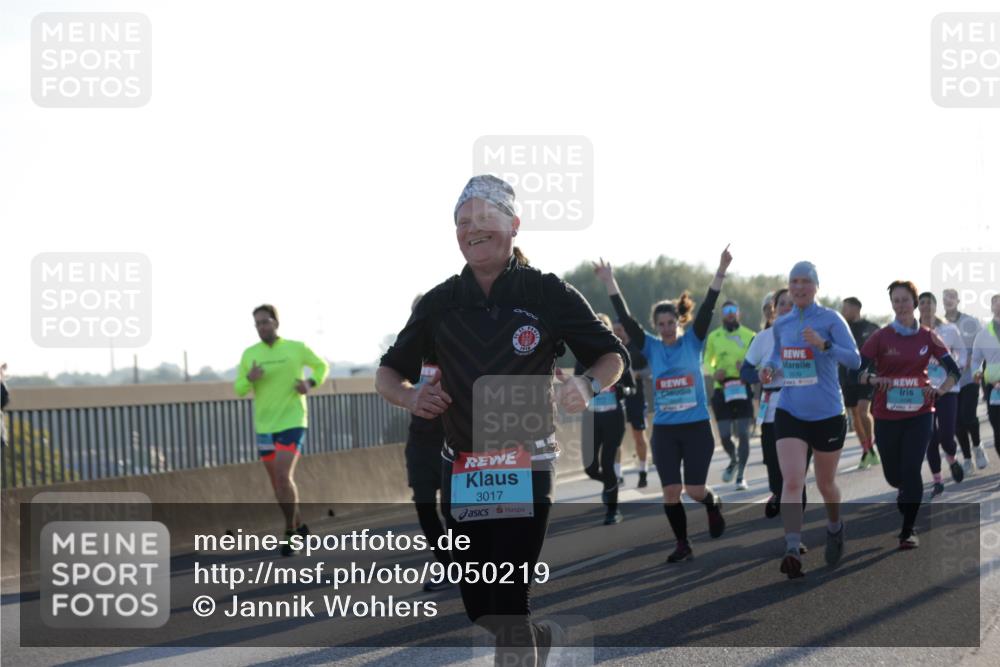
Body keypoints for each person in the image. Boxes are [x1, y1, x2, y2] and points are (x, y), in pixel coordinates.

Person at [376, 175, 628, 666]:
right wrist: (409, 397)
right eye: (462, 221)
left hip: (526, 464)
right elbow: (388, 371)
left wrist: (586, 384)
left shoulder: (546, 293)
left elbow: (610, 355)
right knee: (481, 606)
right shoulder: (440, 302)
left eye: (484, 218)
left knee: (509, 597)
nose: (472, 229)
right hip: (464, 467)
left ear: (513, 225)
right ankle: (535, 636)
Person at [595, 246, 732, 564]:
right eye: (661, 324)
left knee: (695, 490)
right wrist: (609, 281)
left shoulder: (693, 341)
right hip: (667, 432)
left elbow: (710, 304)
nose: (667, 328)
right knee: (671, 492)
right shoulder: (652, 347)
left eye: (671, 322)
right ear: (655, 326)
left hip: (696, 428)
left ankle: (712, 504)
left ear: (678, 323)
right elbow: (627, 321)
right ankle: (683, 543)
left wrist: (721, 269)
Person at [760, 261, 860, 579]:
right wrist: (770, 369)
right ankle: (792, 547)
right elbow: (778, 357)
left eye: (805, 281)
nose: (799, 287)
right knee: (792, 481)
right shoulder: (782, 324)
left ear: (816, 286)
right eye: (794, 282)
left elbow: (855, 359)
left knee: (826, 484)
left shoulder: (831, 319)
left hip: (828, 413)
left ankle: (835, 526)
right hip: (790, 410)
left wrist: (824, 344)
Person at [859, 281, 961, 549]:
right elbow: (858, 371)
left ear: (915, 303)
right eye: (896, 300)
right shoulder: (880, 337)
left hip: (920, 413)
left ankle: (907, 531)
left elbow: (954, 371)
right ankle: (903, 489)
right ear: (891, 303)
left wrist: (939, 391)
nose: (901, 304)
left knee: (912, 469)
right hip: (885, 414)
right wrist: (873, 379)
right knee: (894, 476)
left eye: (905, 300)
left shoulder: (928, 336)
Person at [234, 305, 329, 556]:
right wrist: (250, 377)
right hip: (265, 426)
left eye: (265, 322)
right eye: (257, 324)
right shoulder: (249, 354)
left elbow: (321, 367)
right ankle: (299, 526)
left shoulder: (296, 348)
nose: (261, 327)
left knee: (284, 476)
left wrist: (309, 382)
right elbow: (239, 388)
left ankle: (289, 534)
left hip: (293, 420)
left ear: (276, 322)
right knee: (277, 482)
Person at [742, 288, 811, 535]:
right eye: (782, 303)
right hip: (771, 412)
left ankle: (794, 534)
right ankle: (776, 493)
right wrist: (759, 375)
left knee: (797, 477)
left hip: (803, 411)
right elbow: (745, 372)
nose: (786, 307)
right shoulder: (763, 338)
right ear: (774, 308)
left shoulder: (807, 334)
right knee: (776, 473)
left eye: (791, 304)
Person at [404, 294, 453, 592]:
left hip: (452, 438)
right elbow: (393, 380)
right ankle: (447, 566)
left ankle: (466, 564)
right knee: (424, 505)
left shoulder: (456, 347)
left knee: (453, 510)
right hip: (419, 440)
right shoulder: (410, 352)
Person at [576, 313, 637, 524]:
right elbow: (576, 385)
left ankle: (613, 510)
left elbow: (632, 387)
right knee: (590, 467)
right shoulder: (582, 357)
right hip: (591, 418)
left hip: (613, 417)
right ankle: (610, 484)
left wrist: (622, 389)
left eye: (603, 326)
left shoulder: (618, 357)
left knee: (608, 463)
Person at [917, 292, 966, 497]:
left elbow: (962, 354)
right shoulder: (914, 332)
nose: (926, 306)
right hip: (924, 391)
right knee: (930, 438)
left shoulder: (949, 329)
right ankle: (937, 481)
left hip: (947, 389)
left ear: (936, 306)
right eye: (922, 303)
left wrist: (957, 367)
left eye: (930, 302)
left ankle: (952, 460)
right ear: (917, 307)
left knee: (946, 436)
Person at [704, 300, 756, 489]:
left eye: (733, 310)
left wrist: (747, 368)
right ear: (722, 314)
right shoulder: (714, 337)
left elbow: (758, 360)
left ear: (738, 313)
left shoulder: (750, 335)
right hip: (722, 388)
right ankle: (733, 459)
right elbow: (706, 362)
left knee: (743, 433)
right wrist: (713, 371)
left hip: (742, 387)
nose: (730, 313)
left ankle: (741, 475)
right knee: (725, 435)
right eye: (726, 311)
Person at [943, 288, 987, 473]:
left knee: (968, 416)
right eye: (945, 298)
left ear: (958, 300)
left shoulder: (971, 322)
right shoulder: (940, 324)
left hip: (970, 377)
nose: (948, 301)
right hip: (949, 383)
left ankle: (977, 447)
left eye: (952, 297)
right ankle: (967, 458)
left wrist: (971, 362)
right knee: (957, 423)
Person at [839, 297, 880, 470]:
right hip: (847, 377)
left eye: (846, 308)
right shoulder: (841, 327)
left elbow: (880, 351)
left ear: (856, 308)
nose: (843, 311)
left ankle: (871, 447)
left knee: (864, 411)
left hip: (866, 376)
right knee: (854, 415)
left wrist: (875, 373)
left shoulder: (871, 328)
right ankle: (866, 450)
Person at [613, 319, 651, 488]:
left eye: (620, 329)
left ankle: (643, 471)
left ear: (626, 330)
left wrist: (637, 374)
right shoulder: (611, 349)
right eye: (614, 330)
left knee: (639, 436)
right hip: (616, 398)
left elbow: (650, 369)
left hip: (636, 396)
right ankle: (617, 475)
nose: (617, 333)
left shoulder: (637, 348)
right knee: (615, 439)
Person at [971, 293, 1000, 458]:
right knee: (998, 431)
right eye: (995, 302)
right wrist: (977, 373)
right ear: (991, 308)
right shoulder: (983, 334)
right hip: (994, 388)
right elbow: (975, 360)